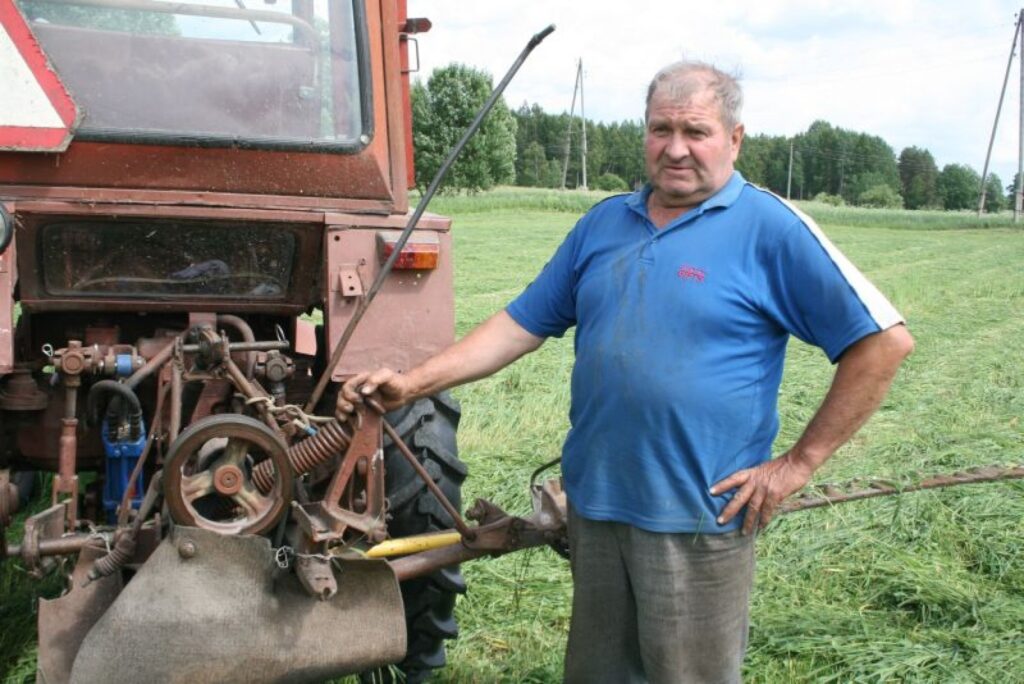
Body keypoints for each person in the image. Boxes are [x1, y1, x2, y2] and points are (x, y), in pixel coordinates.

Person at [338, 61, 914, 683]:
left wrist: (796, 466)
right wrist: (412, 383)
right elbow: (518, 326)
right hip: (598, 506)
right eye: (660, 129)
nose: (675, 148)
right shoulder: (605, 224)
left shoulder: (769, 229)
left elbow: (883, 344)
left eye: (695, 131)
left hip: (698, 516)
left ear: (735, 138)